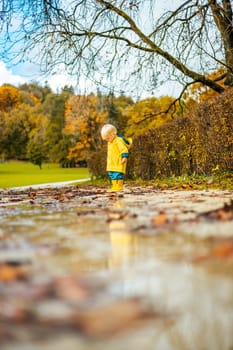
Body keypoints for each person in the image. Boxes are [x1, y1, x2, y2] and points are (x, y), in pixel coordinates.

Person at [100, 124, 131, 192]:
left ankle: (119, 186)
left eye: (108, 138)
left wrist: (124, 157)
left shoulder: (118, 141)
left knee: (118, 175)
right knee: (112, 175)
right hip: (111, 163)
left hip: (118, 162)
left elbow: (123, 149)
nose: (107, 140)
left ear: (113, 134)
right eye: (106, 139)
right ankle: (114, 186)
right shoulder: (110, 142)